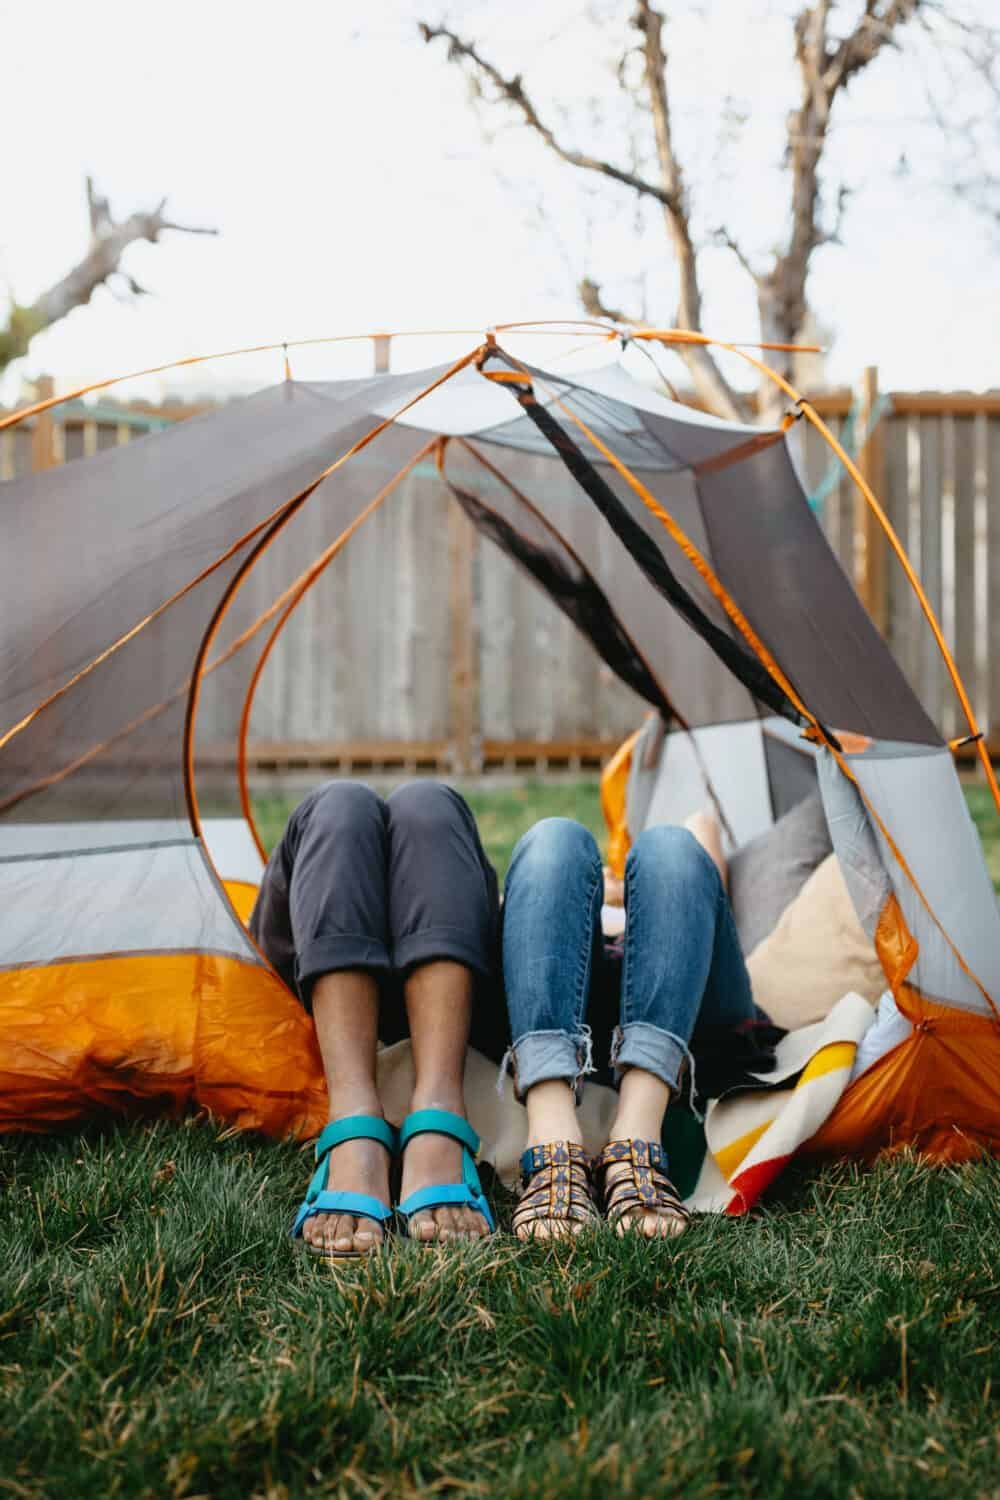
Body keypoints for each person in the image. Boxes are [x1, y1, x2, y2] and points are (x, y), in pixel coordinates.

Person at [250, 780, 507, 1259]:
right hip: (312, 980)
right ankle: (354, 1111)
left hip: (445, 983)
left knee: (427, 805)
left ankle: (439, 1102)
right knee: (340, 806)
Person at [501, 810, 767, 1240]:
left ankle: (637, 1137)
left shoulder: (664, 882)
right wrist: (585, 893)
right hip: (574, 1004)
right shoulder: (568, 892)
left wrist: (638, 891)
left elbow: (701, 836)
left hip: (690, 1011)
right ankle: (553, 1139)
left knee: (671, 846)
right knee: (556, 838)